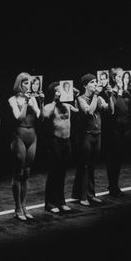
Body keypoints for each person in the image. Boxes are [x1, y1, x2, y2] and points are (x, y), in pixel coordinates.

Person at [72, 74, 113, 206]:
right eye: (92, 82)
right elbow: (88, 111)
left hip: (97, 134)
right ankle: (82, 196)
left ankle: (91, 194)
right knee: (84, 166)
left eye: (96, 82)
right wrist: (95, 95)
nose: (95, 84)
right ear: (85, 85)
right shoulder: (80, 99)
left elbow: (110, 110)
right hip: (85, 136)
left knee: (92, 165)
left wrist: (110, 96)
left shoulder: (99, 98)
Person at [8, 72, 41, 220]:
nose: (28, 86)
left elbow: (40, 116)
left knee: (27, 173)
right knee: (18, 172)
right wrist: (26, 103)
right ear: (19, 84)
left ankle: (24, 206)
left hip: (32, 134)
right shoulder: (13, 99)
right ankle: (17, 208)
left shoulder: (33, 98)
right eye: (25, 83)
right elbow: (19, 117)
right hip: (19, 135)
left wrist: (36, 103)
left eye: (29, 83)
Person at [43, 82, 78, 213]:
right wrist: (54, 100)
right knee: (54, 173)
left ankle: (61, 201)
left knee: (62, 173)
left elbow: (78, 109)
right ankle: (50, 204)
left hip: (66, 142)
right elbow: (46, 115)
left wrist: (70, 89)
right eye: (58, 90)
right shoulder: (49, 106)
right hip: (55, 142)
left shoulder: (68, 105)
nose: (61, 92)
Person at [107, 68, 131, 196]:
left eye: (124, 76)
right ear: (113, 78)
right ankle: (112, 186)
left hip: (126, 128)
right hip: (114, 128)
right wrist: (117, 90)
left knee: (119, 158)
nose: (122, 79)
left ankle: (115, 185)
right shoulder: (110, 92)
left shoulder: (127, 92)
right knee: (114, 158)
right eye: (119, 76)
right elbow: (114, 109)